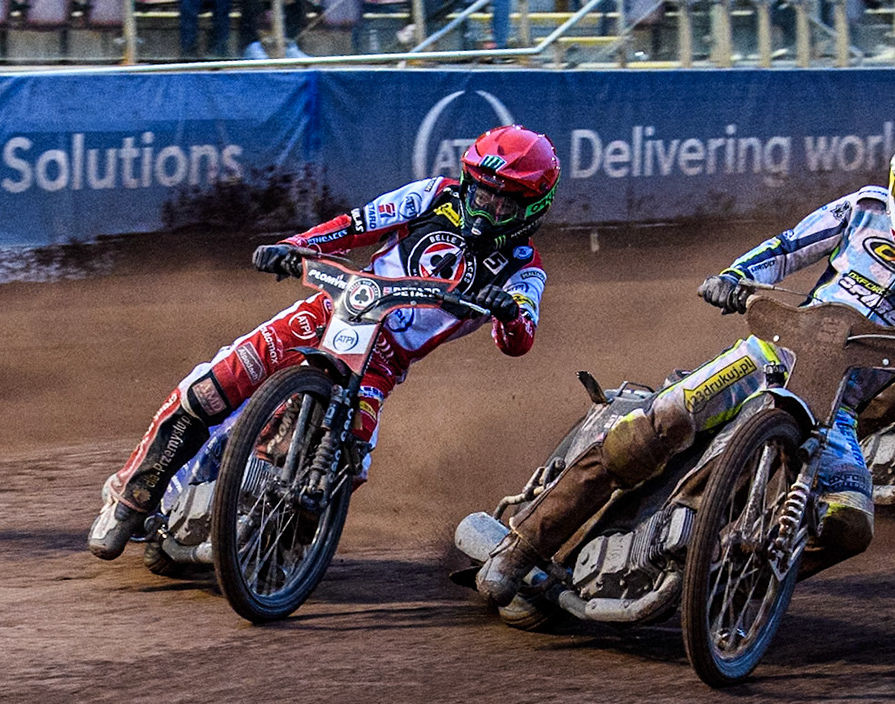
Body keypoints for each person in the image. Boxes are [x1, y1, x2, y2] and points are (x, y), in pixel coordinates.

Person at [477, 120, 895, 605]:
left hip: (840, 410)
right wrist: (735, 278)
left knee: (850, 524)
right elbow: (786, 248)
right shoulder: (864, 210)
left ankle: (739, 584)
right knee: (653, 427)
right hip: (771, 354)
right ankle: (521, 548)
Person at [89, 125, 559, 560]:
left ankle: (270, 543)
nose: (487, 209)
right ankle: (131, 500)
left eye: (504, 204)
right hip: (331, 311)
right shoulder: (433, 195)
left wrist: (508, 310)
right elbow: (357, 224)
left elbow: (518, 340)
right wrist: (296, 247)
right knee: (211, 388)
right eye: (481, 193)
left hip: (381, 362)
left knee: (346, 463)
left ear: (532, 208)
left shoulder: (525, 269)